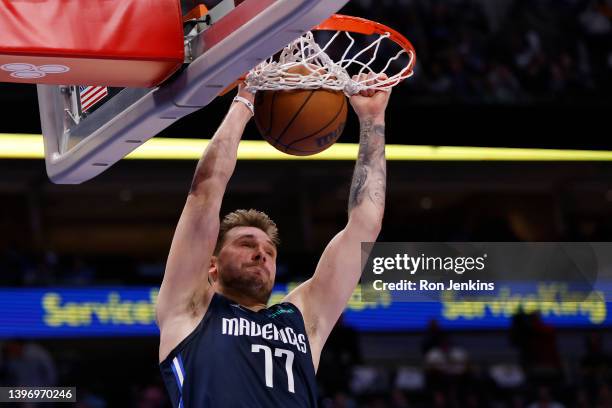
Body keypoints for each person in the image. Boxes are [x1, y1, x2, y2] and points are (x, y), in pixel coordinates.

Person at [156, 73, 390, 408]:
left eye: (269, 251)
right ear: (212, 265)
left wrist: (372, 119)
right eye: (247, 244)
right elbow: (204, 193)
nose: (261, 255)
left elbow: (366, 224)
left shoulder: (302, 319)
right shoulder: (190, 308)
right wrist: (245, 101)